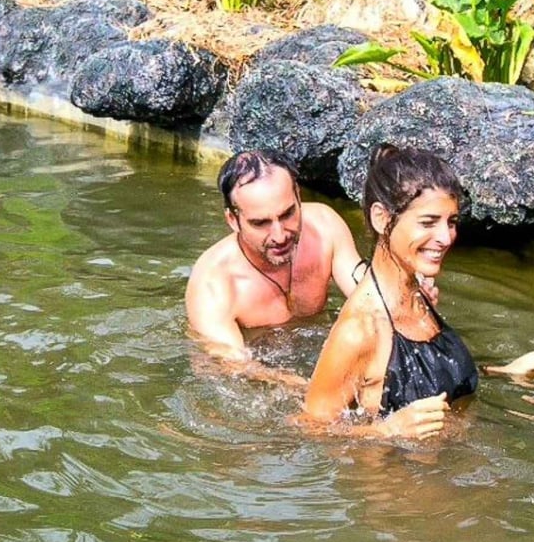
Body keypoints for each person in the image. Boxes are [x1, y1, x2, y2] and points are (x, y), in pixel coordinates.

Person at [301, 144, 534, 439]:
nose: (446, 237)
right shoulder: (361, 328)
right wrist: (386, 431)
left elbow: (431, 378)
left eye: (452, 222)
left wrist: (505, 373)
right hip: (396, 482)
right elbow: (308, 427)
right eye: (428, 222)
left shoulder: (416, 294)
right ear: (382, 218)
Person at [186, 150, 435, 384]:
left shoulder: (324, 226)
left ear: (297, 195)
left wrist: (406, 295)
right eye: (260, 223)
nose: (280, 235)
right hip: (266, 378)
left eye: (287, 214)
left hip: (320, 349)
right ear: (233, 220)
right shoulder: (213, 284)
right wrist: (319, 390)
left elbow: (365, 289)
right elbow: (236, 368)